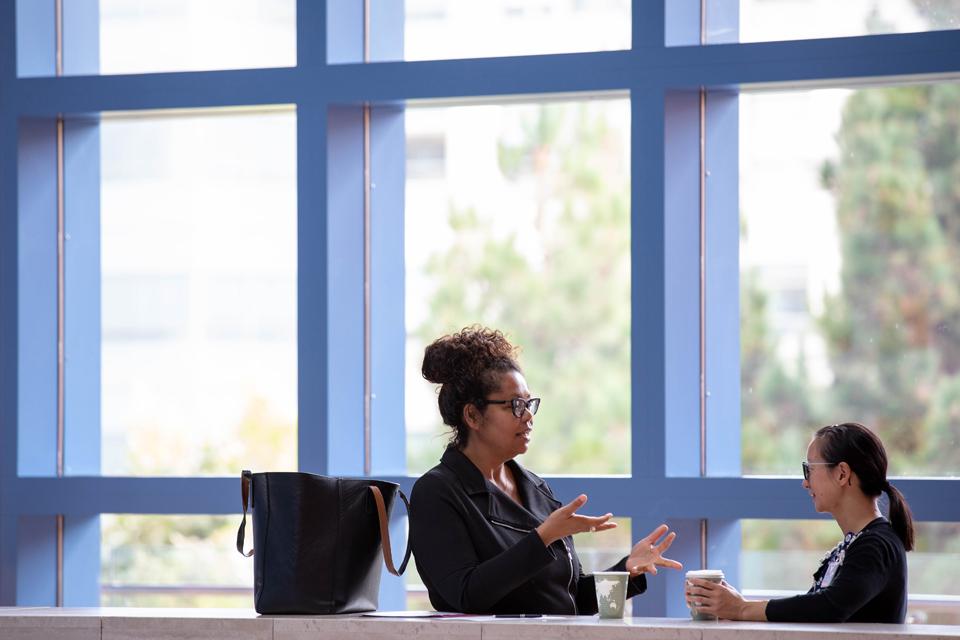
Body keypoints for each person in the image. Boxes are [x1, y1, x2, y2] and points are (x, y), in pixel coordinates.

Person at [409, 326, 682, 615]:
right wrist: (543, 538)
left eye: (529, 403)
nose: (528, 416)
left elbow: (571, 598)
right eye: (515, 405)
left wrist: (627, 570)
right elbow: (465, 595)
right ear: (473, 415)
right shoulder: (437, 492)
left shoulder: (537, 489)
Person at [685, 422, 914, 623]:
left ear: (842, 474)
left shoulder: (875, 546)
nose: (805, 483)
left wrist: (743, 609)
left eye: (810, 470)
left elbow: (830, 607)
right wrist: (735, 605)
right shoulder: (859, 544)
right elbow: (815, 609)